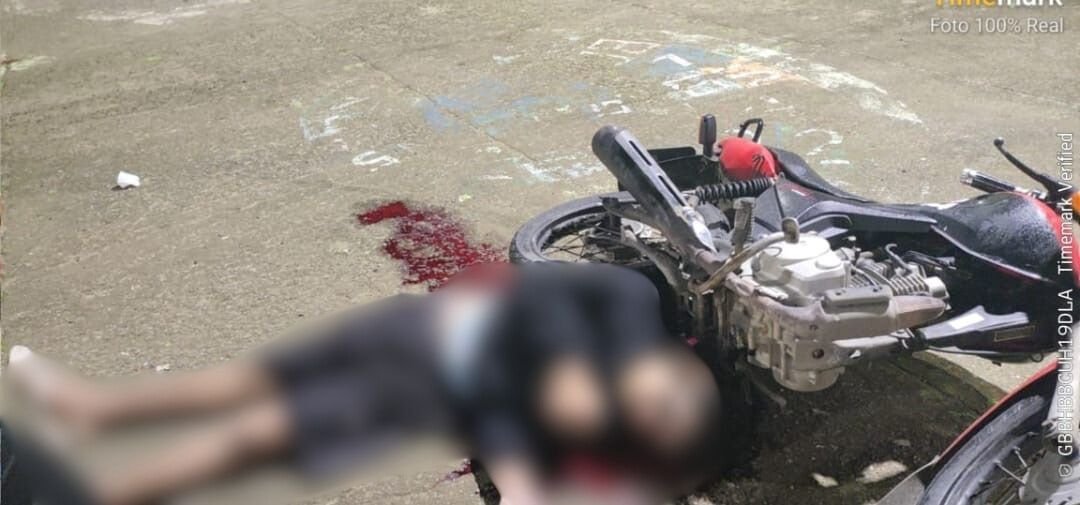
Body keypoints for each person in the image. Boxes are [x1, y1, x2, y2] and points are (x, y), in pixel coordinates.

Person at [5, 262, 727, 505]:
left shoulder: (597, 429)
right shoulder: (630, 304)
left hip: (418, 385)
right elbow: (535, 287)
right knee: (243, 385)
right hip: (413, 327)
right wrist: (566, 364)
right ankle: (95, 411)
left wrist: (521, 480)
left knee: (256, 431)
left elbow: (493, 410)